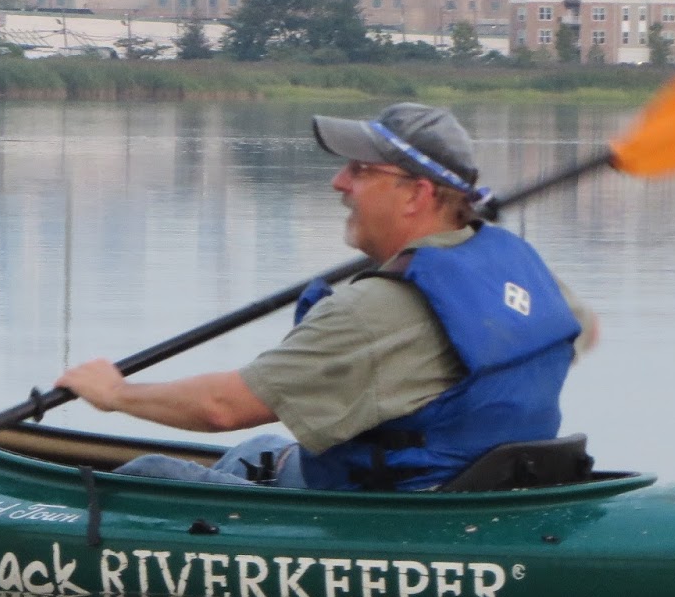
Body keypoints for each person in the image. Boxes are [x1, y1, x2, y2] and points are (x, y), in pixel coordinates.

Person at [56, 103, 598, 491]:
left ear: (418, 194)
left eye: (361, 171)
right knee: (256, 454)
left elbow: (224, 409)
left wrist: (115, 395)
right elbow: (581, 330)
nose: (339, 182)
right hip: (489, 485)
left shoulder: (374, 312)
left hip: (394, 506)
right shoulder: (521, 271)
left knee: (149, 474)